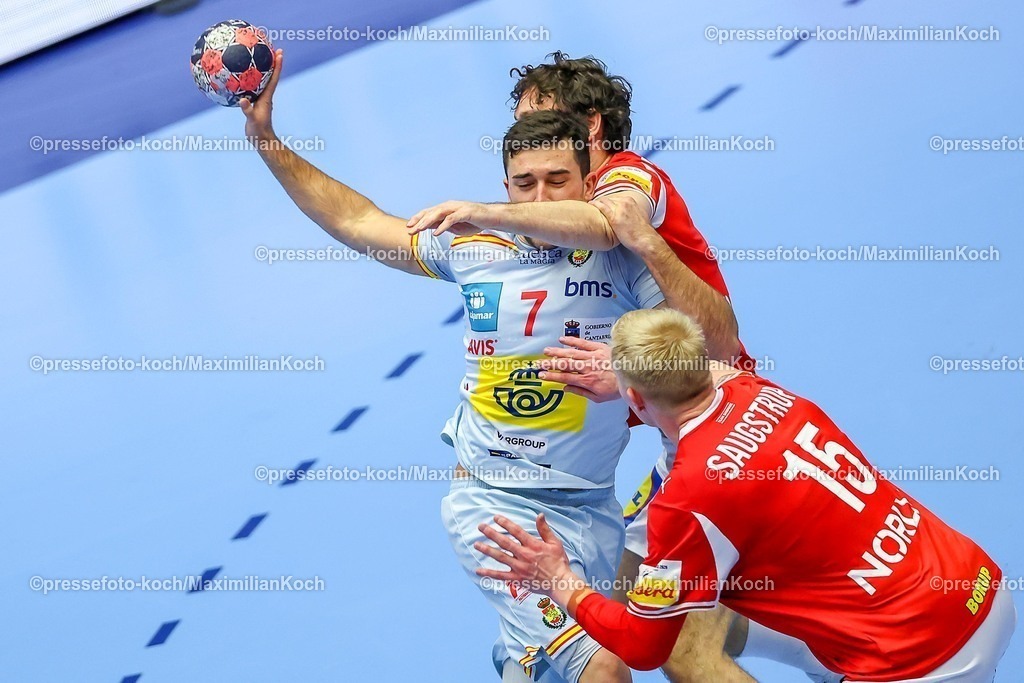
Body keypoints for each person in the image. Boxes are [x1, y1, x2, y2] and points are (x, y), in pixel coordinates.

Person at [240, 56, 684, 680]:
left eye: (557, 180)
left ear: (590, 180)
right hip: (495, 502)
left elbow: (696, 347)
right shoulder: (471, 245)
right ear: (505, 185)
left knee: (548, 664)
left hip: (593, 504)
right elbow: (357, 219)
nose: (538, 196)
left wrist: (627, 375)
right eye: (522, 184)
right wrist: (266, 140)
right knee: (604, 668)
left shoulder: (623, 256)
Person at [475, 308, 1016, 682]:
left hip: (923, 656)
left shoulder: (688, 501)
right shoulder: (763, 391)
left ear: (634, 396)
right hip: (977, 585)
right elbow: (708, 368)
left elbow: (642, 646)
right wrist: (632, 371)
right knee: (735, 613)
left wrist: (561, 581)